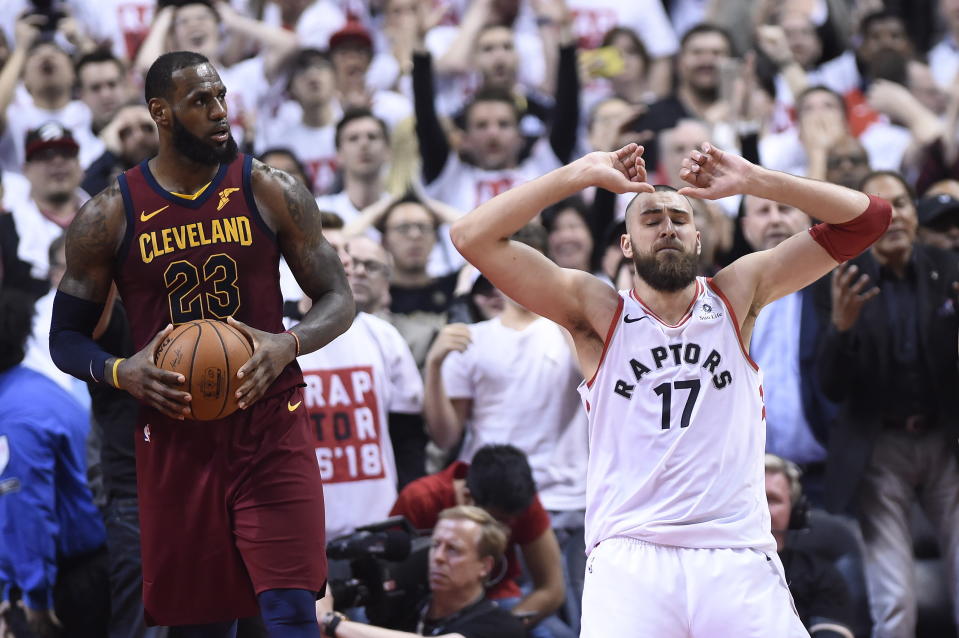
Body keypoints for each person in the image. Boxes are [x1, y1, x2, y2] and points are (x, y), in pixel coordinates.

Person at [449, 141, 891, 636]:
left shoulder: (736, 293)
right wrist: (579, 174)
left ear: (698, 240)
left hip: (734, 549)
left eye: (680, 219)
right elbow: (470, 236)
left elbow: (870, 219)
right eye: (651, 219)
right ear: (627, 245)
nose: (667, 227)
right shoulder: (597, 311)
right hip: (630, 556)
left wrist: (753, 179)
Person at [47, 50, 354, 634]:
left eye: (221, 98)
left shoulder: (269, 189)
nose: (220, 113)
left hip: (268, 422)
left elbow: (339, 298)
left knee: (292, 610)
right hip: (176, 435)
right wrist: (121, 371)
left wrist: (288, 343)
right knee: (200, 623)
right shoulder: (109, 214)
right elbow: (64, 339)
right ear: (160, 113)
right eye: (201, 102)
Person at [818, 170, 959, 637]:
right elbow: (831, 388)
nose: (895, 215)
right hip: (880, 449)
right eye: (882, 205)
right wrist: (840, 330)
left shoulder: (948, 268)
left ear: (917, 214)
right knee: (895, 600)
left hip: (946, 441)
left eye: (903, 203)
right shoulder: (842, 278)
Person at [0, 288, 110, 638]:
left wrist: (35, 601)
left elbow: (28, 514)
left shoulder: (15, 420)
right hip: (87, 565)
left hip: (66, 584)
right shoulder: (34, 386)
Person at [390, 445, 565, 634]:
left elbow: (552, 588)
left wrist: (502, 628)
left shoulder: (520, 504)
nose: (504, 532)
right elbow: (388, 577)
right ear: (466, 497)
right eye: (436, 545)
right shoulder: (420, 499)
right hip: (422, 603)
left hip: (498, 603)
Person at [316, 505, 524, 638]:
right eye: (436, 545)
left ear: (484, 566)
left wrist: (331, 621)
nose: (438, 557)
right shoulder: (407, 606)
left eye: (453, 549)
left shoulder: (500, 626)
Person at [765, 454, 855, 638]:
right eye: (754, 498)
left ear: (796, 510)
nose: (761, 509)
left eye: (772, 499)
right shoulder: (715, 569)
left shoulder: (821, 575)